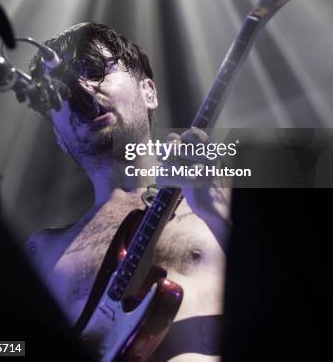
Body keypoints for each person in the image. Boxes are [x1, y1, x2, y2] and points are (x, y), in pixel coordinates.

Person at [26, 22, 230, 362]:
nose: (80, 90)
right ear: (58, 138)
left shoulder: (226, 192)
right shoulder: (43, 250)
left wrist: (217, 213)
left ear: (149, 92)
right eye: (59, 91)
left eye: (93, 71)